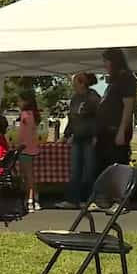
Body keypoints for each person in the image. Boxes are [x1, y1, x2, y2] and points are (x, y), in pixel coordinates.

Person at [56, 73, 101, 209]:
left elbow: (100, 118)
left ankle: (87, 200)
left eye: (75, 81)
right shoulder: (75, 98)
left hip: (89, 138)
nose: (73, 84)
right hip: (77, 138)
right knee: (75, 170)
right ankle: (71, 200)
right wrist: (66, 135)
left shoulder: (93, 97)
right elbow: (72, 119)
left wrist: (96, 135)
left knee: (88, 170)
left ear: (82, 83)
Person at [96, 48, 136, 174]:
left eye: (106, 61)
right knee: (102, 168)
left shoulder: (126, 79)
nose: (105, 65)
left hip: (115, 131)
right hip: (105, 133)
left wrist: (121, 131)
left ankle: (116, 193)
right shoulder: (114, 82)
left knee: (116, 168)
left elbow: (128, 106)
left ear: (114, 62)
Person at [18, 91, 41, 211]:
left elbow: (24, 134)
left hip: (25, 149)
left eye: (20, 100)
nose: (18, 103)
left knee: (27, 177)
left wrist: (19, 144)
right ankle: (35, 199)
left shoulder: (25, 115)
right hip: (33, 148)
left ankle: (30, 200)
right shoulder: (34, 114)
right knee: (31, 176)